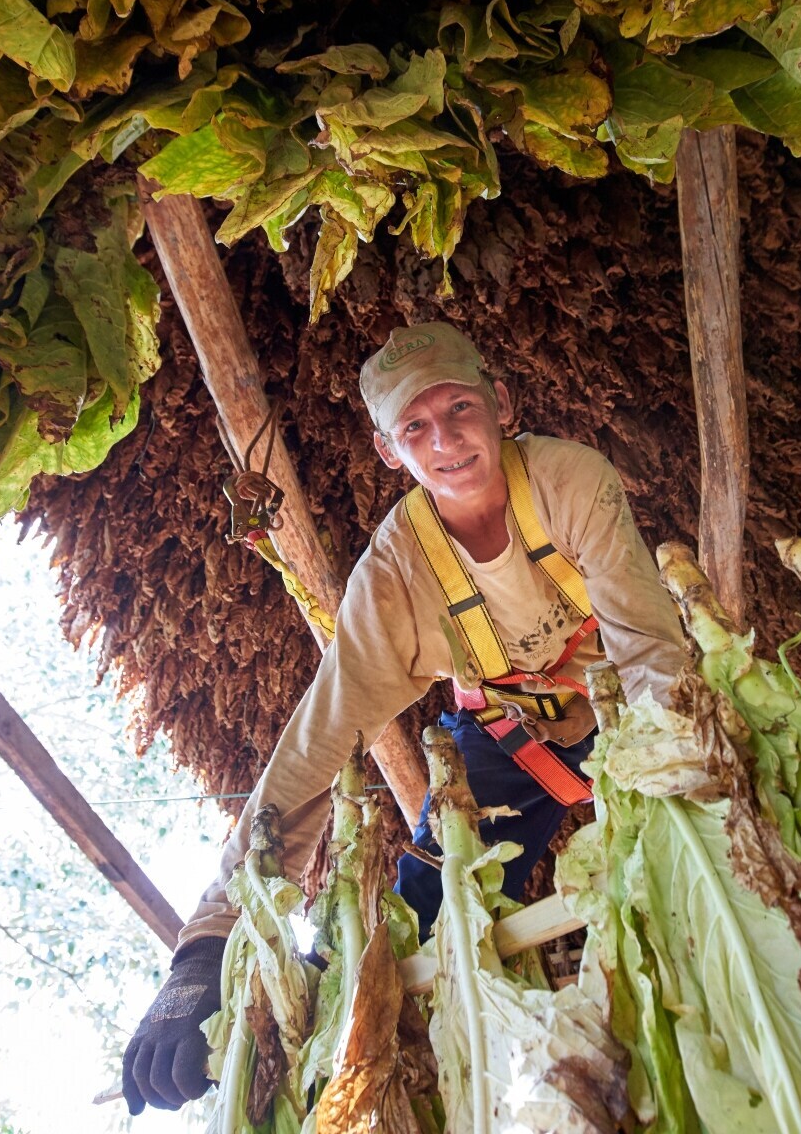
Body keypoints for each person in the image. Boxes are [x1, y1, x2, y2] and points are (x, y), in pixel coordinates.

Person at [120, 322, 687, 1114]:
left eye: (460, 408)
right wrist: (204, 949)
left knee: (707, 855)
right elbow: (314, 746)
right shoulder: (393, 576)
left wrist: (687, 777)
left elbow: (653, 653)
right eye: (416, 428)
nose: (446, 439)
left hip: (633, 711)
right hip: (511, 746)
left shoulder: (568, 481)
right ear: (390, 451)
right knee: (421, 919)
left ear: (502, 405)